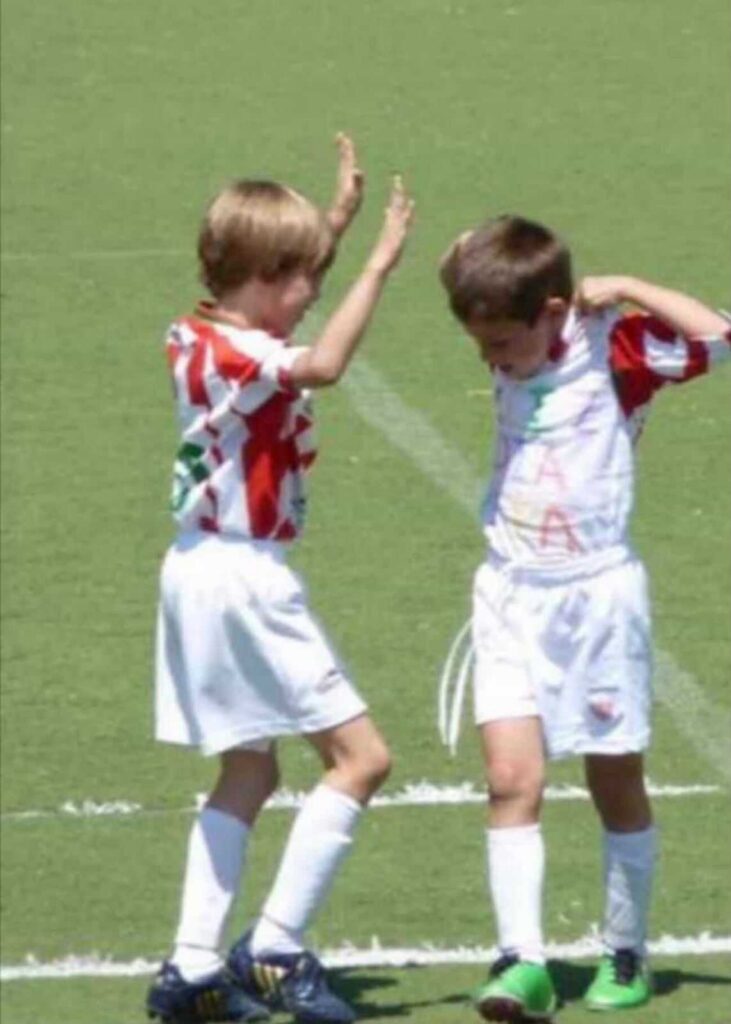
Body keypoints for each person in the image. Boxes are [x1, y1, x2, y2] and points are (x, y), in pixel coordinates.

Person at [146, 135, 414, 1024]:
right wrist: (376, 263)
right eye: (302, 278)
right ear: (263, 277)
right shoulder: (248, 356)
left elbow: (279, 312)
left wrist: (332, 222)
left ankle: (190, 971)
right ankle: (274, 948)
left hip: (195, 570)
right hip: (245, 578)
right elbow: (322, 365)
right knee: (361, 759)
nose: (312, 293)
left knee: (249, 772)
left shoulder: (199, 332)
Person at [438, 215, 730, 1021]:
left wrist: (628, 286)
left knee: (613, 777)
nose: (491, 361)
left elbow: (719, 337)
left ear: (553, 311)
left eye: (502, 344)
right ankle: (520, 962)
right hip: (507, 592)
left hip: (596, 599)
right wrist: (474, 248)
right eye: (480, 346)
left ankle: (624, 950)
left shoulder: (617, 351)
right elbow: (461, 255)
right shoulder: (507, 321)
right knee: (509, 780)